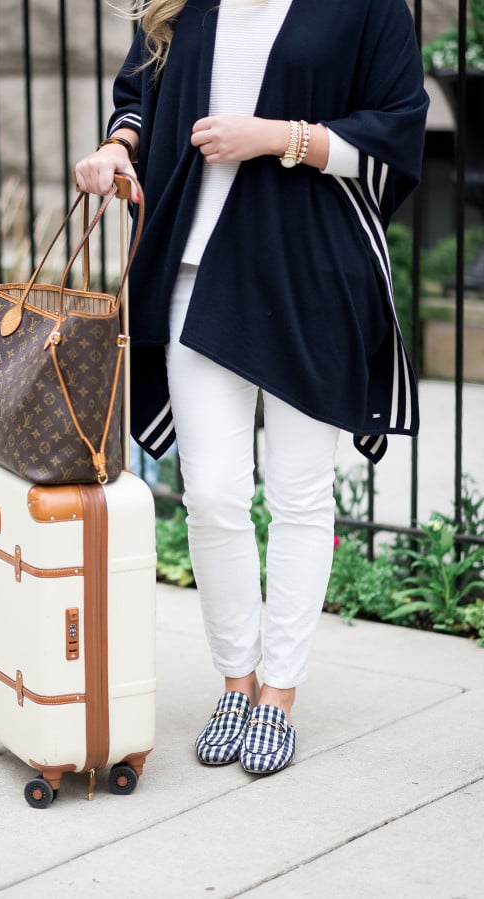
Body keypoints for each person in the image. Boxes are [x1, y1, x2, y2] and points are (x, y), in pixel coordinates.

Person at [75, 0, 429, 776]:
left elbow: (401, 126)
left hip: (308, 277)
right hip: (194, 279)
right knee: (213, 494)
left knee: (300, 495)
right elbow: (138, 101)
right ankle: (235, 679)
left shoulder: (367, 7)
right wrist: (117, 147)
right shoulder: (183, 5)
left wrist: (279, 138)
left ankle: (279, 692)